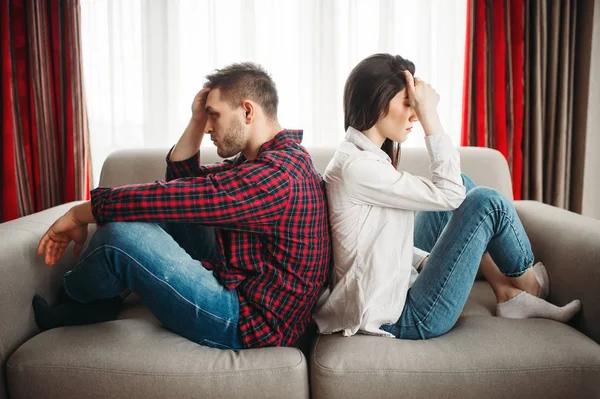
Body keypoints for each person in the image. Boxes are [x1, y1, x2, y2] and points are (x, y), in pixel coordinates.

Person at [34, 62, 331, 349]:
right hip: (243, 286)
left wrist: (78, 213)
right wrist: (196, 119)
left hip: (248, 322)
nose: (208, 128)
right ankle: (104, 295)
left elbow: (172, 198)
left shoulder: (274, 178)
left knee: (119, 237)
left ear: (247, 111)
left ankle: (76, 299)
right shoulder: (272, 160)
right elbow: (183, 184)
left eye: (213, 116)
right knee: (162, 214)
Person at [313, 53, 581, 340]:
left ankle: (507, 294)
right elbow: (450, 194)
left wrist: (422, 259)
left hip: (395, 289)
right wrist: (431, 116)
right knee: (485, 203)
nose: (414, 114)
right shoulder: (358, 167)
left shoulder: (360, 156)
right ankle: (532, 288)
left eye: (416, 106)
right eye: (408, 104)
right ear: (378, 103)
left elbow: (370, 244)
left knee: (464, 184)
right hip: (403, 318)